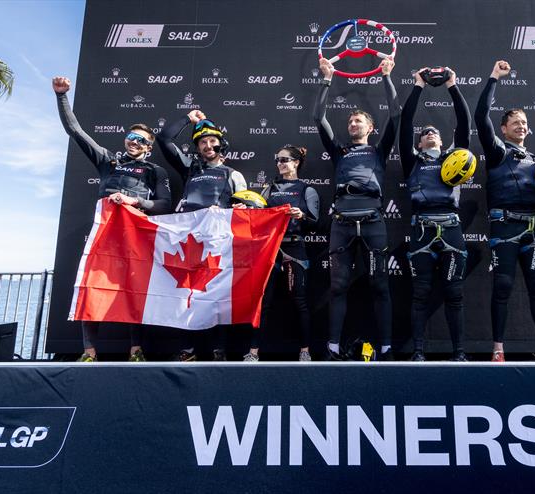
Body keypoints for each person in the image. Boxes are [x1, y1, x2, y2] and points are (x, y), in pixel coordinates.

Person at [53, 76, 172, 363]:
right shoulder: (109, 161)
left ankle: (136, 350)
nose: (134, 142)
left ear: (149, 147)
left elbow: (165, 205)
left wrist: (134, 201)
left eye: (141, 140)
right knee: (91, 286)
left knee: (135, 288)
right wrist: (61, 96)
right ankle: (89, 353)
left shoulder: (155, 171)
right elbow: (76, 131)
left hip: (135, 236)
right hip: (104, 234)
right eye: (131, 138)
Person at [474, 61, 535, 363]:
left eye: (524, 122)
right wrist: (494, 78)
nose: (521, 126)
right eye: (515, 122)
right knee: (503, 286)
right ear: (503, 129)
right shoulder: (498, 151)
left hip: (534, 230)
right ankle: (498, 349)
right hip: (504, 228)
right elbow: (479, 116)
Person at [314, 56, 400, 361]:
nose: (353, 123)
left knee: (380, 285)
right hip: (342, 223)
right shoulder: (338, 153)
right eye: (350, 121)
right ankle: (332, 349)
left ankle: (387, 349)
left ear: (370, 127)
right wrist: (326, 79)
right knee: (337, 286)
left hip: (373, 221)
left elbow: (396, 115)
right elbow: (317, 118)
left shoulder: (379, 151)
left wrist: (387, 76)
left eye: (358, 121)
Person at [156, 110, 247, 361]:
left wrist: (235, 209)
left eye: (211, 140)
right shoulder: (189, 168)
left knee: (216, 293)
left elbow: (246, 210)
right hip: (189, 241)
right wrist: (189, 119)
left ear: (221, 143)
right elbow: (163, 138)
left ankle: (219, 349)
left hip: (218, 242)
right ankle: (187, 349)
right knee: (186, 293)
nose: (208, 145)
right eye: (202, 142)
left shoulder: (233, 175)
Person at [400, 67, 471, 362]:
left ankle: (460, 354)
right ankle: (418, 352)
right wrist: (418, 85)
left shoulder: (454, 159)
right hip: (422, 230)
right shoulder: (411, 160)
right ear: (419, 143)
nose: (429, 133)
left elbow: (465, 124)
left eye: (435, 132)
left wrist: (453, 86)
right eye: (424, 133)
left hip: (452, 228)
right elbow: (405, 122)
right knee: (420, 293)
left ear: (442, 142)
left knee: (454, 294)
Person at [242, 145, 321, 362]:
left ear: (296, 163)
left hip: (295, 248)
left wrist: (301, 215)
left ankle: (305, 351)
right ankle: (253, 352)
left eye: (285, 159)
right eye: (277, 160)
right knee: (263, 302)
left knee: (300, 301)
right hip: (270, 249)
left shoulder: (307, 189)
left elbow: (317, 223)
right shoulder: (269, 188)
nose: (280, 163)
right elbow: (257, 217)